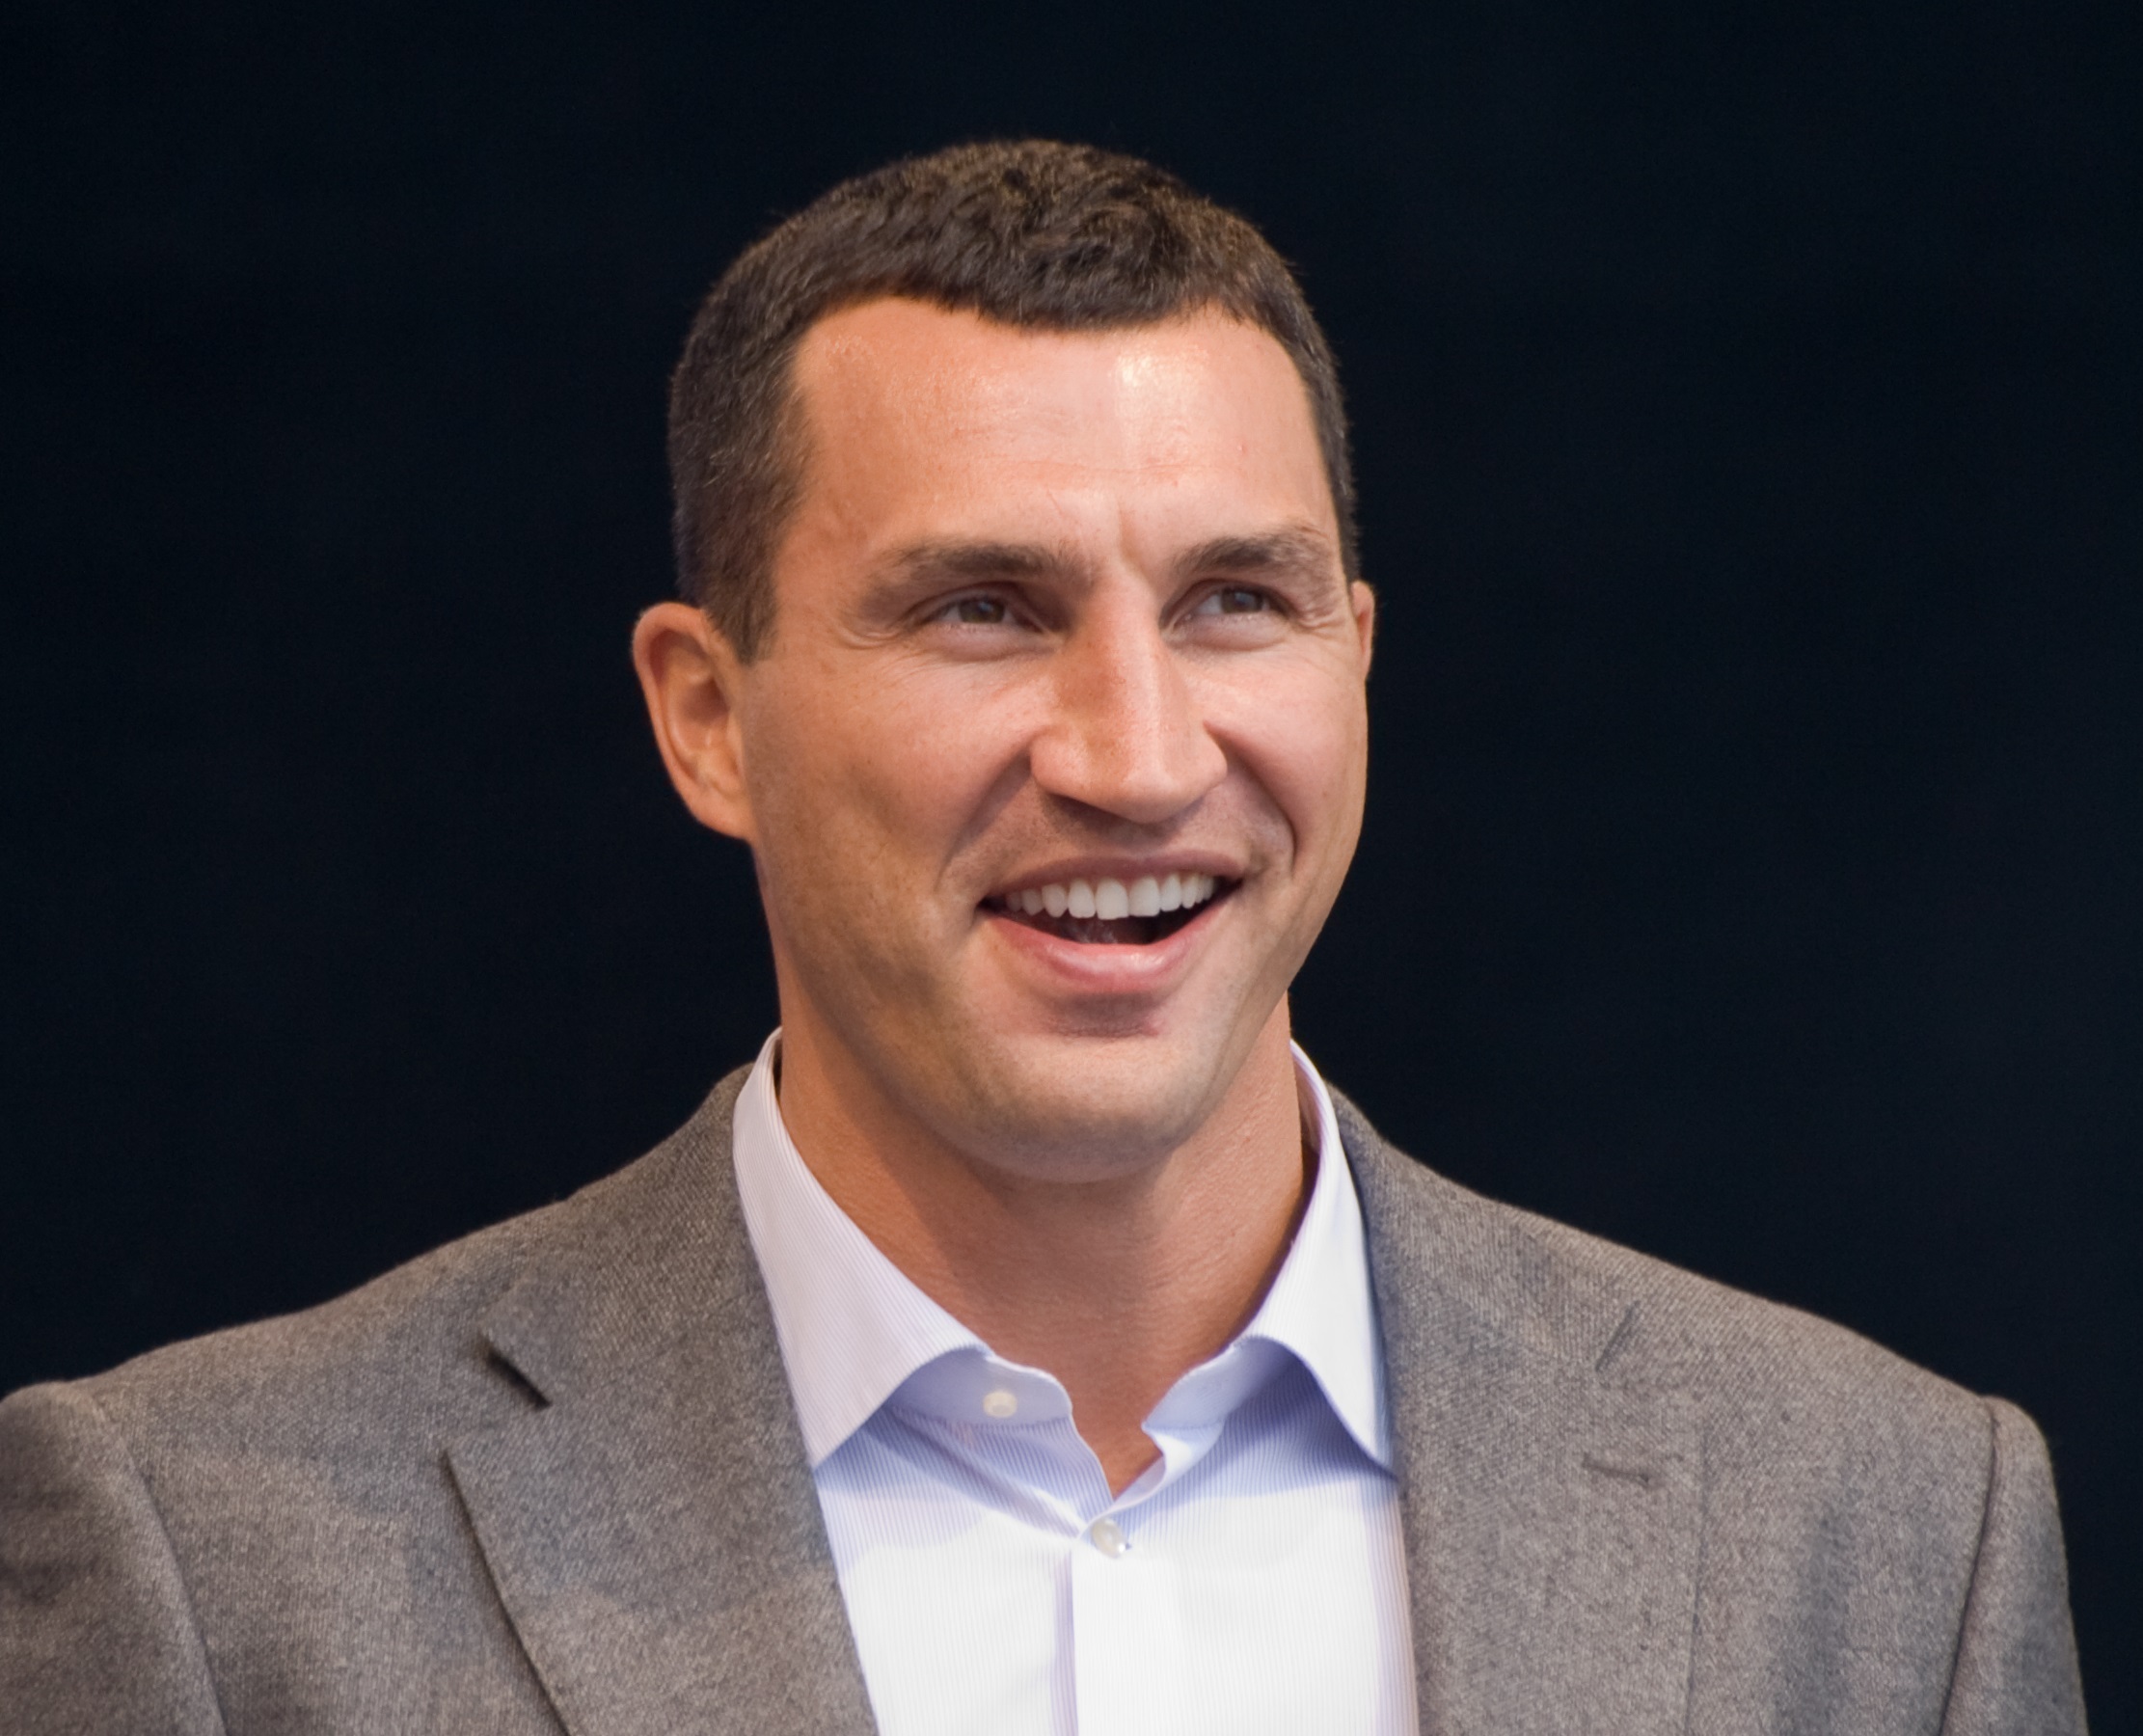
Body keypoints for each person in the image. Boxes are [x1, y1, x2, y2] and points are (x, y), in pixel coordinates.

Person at [0, 140, 2085, 1735]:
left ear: (1356, 662)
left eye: (1233, 601)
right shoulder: (207, 1558)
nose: (1134, 754)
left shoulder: (1887, 1536)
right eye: (979, 607)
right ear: (706, 714)